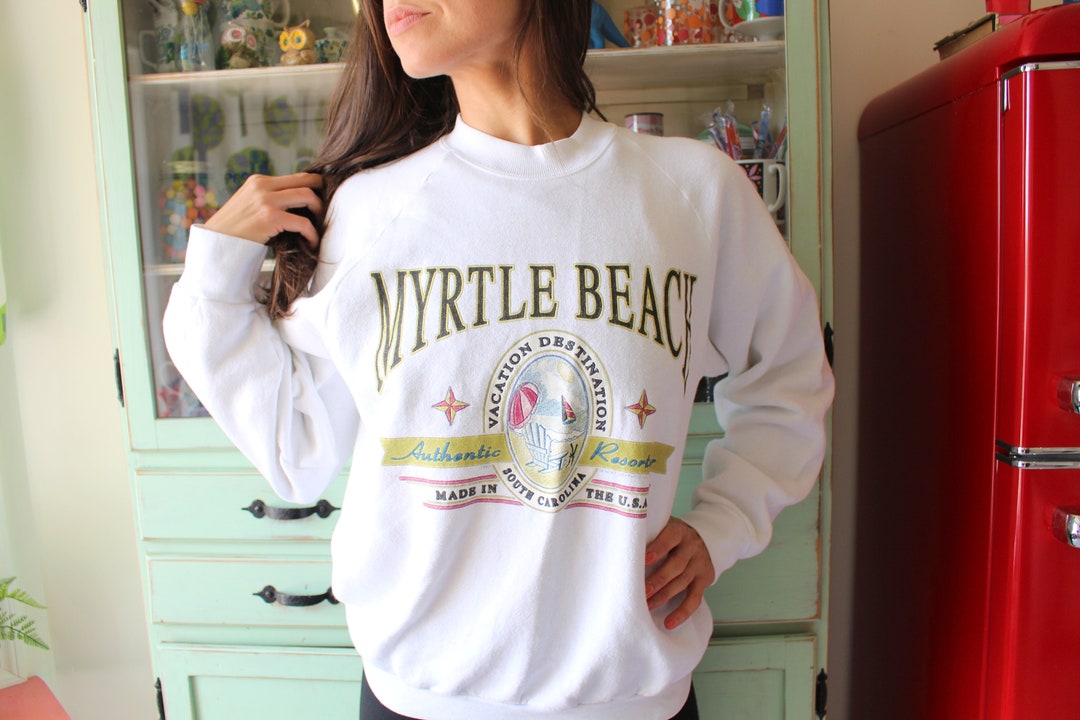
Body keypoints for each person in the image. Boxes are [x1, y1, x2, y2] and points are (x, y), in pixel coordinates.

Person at [163, 0, 834, 718]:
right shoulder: (367, 212)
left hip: (630, 698)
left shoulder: (693, 193)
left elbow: (789, 373)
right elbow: (296, 450)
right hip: (418, 700)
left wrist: (724, 522)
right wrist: (214, 272)